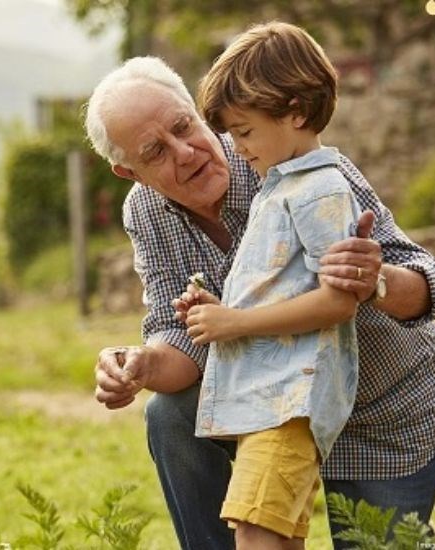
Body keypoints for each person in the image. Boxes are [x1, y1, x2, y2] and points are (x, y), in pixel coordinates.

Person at [84, 53, 435, 549]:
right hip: (274, 406)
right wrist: (140, 364)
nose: (185, 152)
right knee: (169, 414)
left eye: (184, 126)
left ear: (197, 110)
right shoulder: (147, 211)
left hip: (381, 407)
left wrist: (376, 278)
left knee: (375, 544)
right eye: (156, 151)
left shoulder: (298, 164)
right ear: (128, 172)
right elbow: (181, 334)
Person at [173, 22, 362, 548]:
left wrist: (236, 322)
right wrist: (219, 309)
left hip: (290, 401)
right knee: (272, 535)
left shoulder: (319, 188)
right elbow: (284, 287)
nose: (237, 146)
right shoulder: (279, 185)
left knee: (255, 533)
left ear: (296, 112)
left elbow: (338, 300)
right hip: (268, 400)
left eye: (245, 131)